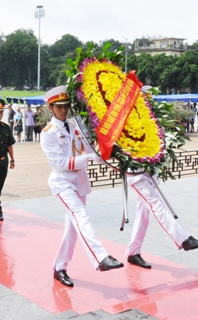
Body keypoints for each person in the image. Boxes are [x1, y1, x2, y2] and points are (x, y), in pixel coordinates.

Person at [40, 86, 124, 288]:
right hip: (62, 180)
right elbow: (61, 162)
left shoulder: (76, 125)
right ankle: (100, 257)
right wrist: (91, 158)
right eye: (59, 107)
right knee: (80, 216)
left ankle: (60, 267)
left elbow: (91, 149)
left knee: (73, 228)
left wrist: (112, 163)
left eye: (66, 106)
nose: (63, 110)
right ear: (50, 108)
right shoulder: (48, 133)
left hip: (79, 181)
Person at [126, 172, 198, 269]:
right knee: (157, 205)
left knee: (142, 216)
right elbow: (103, 158)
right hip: (136, 176)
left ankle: (133, 252)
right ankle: (184, 239)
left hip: (149, 174)